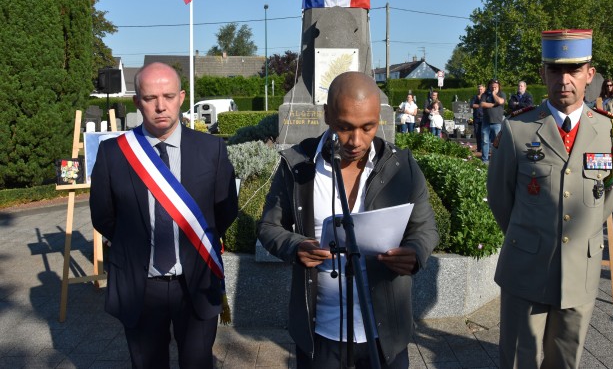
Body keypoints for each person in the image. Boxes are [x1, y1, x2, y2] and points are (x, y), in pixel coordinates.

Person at [257, 71, 439, 368]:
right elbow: (268, 227)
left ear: (378, 117)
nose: (356, 141)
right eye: (344, 127)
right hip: (321, 334)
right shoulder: (298, 165)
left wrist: (416, 252)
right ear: (327, 114)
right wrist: (295, 246)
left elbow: (425, 228)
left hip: (385, 336)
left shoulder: (401, 166)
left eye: (368, 127)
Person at [487, 29, 613, 368]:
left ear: (590, 75)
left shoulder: (610, 132)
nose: (565, 79)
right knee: (520, 359)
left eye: (575, 69)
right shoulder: (517, 130)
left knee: (566, 359)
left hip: (581, 268)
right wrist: (531, 237)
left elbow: (606, 199)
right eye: (555, 69)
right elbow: (500, 198)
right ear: (542, 74)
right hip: (526, 267)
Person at [90, 63, 239, 368]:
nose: (160, 106)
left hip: (196, 279)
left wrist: (197, 242)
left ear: (182, 97)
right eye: (150, 98)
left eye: (168, 96)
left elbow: (224, 210)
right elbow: (103, 216)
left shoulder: (212, 149)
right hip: (140, 285)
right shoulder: (113, 153)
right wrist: (136, 243)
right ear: (136, 101)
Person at [479, 79, 506, 163]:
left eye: (495, 85)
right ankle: (485, 160)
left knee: (497, 142)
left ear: (498, 86)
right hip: (486, 121)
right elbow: (482, 104)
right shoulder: (485, 94)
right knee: (485, 141)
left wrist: (494, 94)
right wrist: (493, 105)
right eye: (492, 85)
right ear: (489, 85)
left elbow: (500, 101)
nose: (493, 86)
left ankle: (496, 160)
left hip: (497, 122)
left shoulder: (502, 94)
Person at [470, 84, 485, 157]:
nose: (480, 90)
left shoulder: (485, 97)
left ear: (484, 89)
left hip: (484, 117)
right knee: (477, 133)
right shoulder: (474, 97)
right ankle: (479, 148)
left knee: (483, 133)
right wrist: (480, 105)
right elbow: (471, 105)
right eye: (479, 89)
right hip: (476, 117)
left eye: (481, 89)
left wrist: (478, 105)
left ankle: (483, 149)